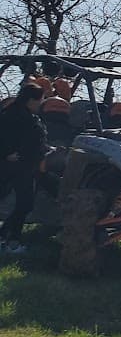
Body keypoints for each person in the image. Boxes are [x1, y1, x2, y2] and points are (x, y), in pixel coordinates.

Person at [0, 84, 49, 254]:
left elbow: (35, 139)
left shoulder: (31, 116)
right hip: (15, 166)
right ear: (30, 100)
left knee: (25, 204)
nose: (41, 103)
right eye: (40, 100)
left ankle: (6, 236)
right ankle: (12, 242)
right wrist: (6, 154)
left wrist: (46, 149)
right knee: (24, 203)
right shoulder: (11, 115)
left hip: (27, 166)